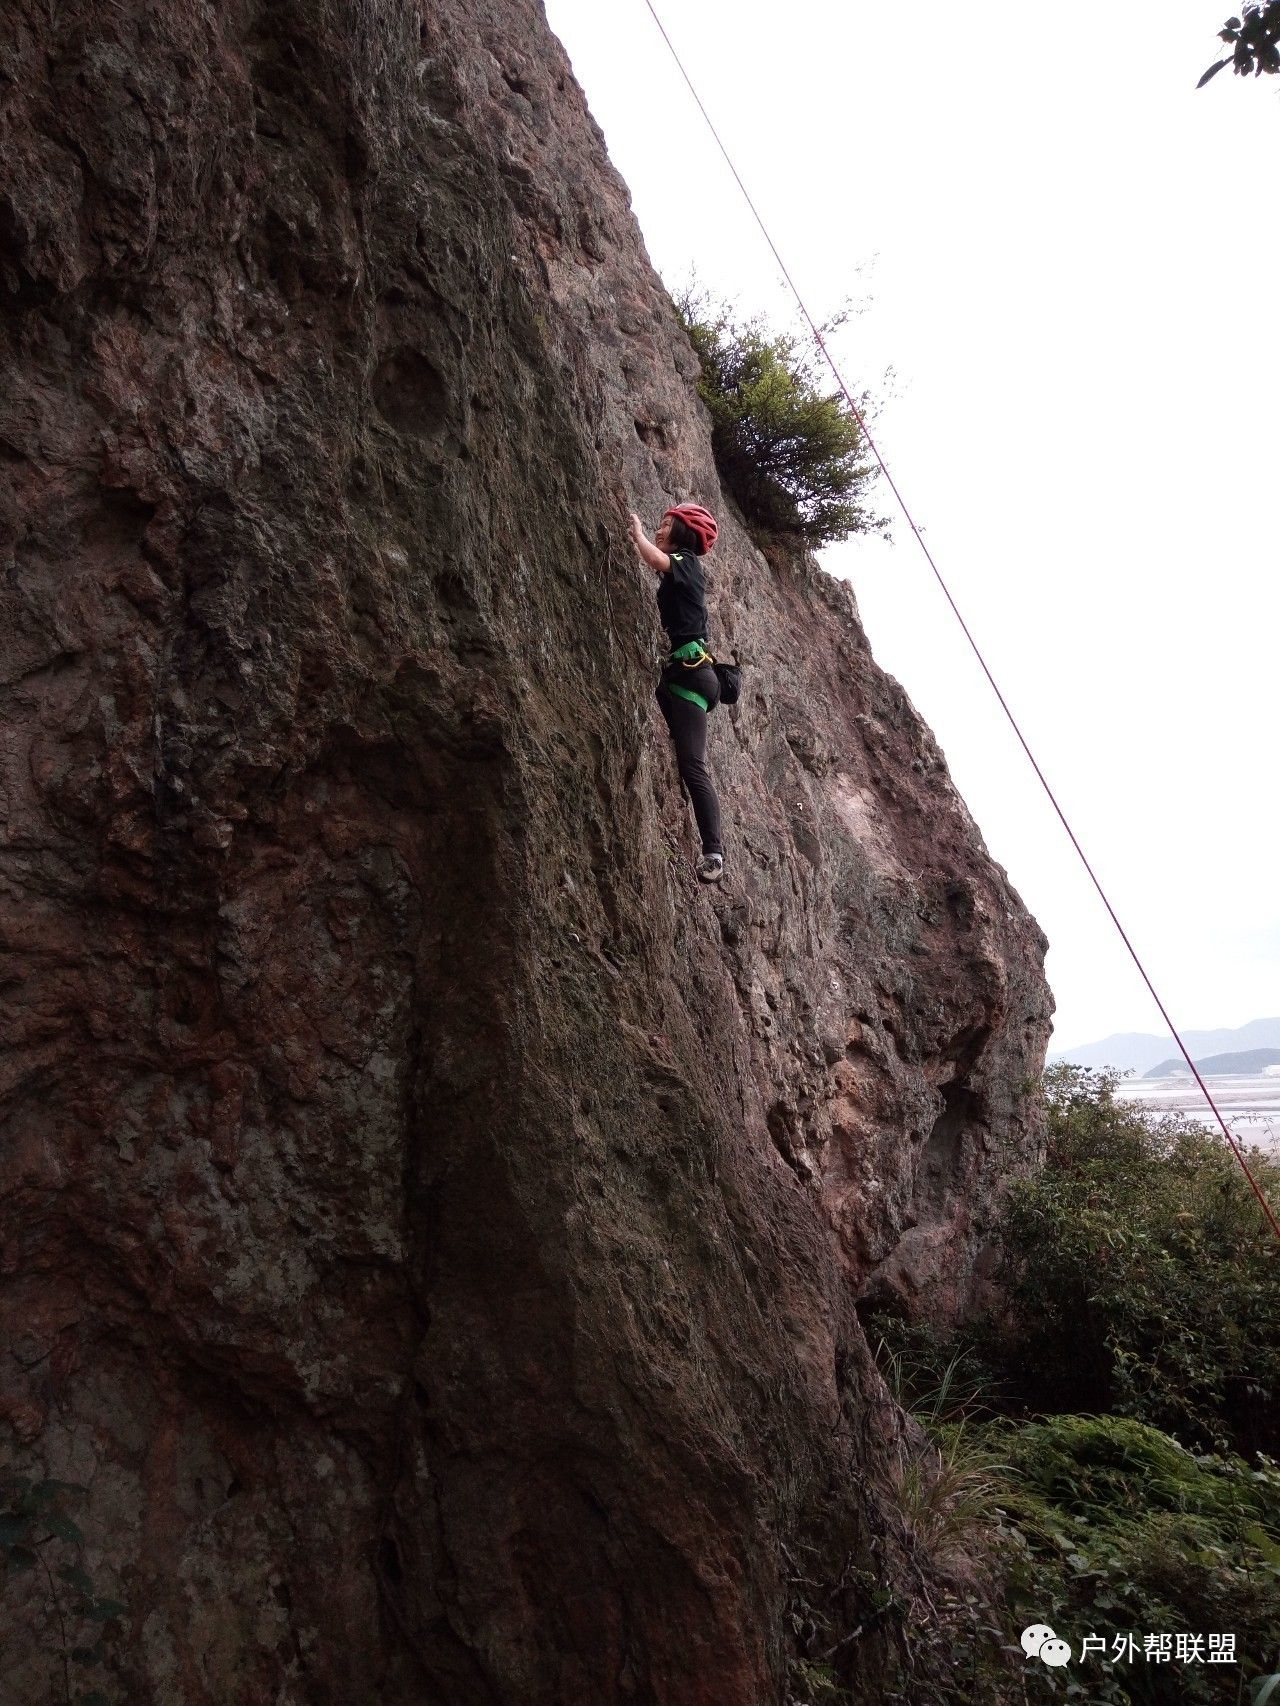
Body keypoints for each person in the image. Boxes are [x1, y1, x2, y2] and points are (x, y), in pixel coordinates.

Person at [629, 503, 725, 882]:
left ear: (683, 533)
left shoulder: (686, 561)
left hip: (692, 677)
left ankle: (714, 853)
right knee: (682, 756)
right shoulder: (680, 570)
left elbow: (655, 559)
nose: (659, 529)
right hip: (678, 675)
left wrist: (636, 535)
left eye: (666, 524)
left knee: (692, 764)